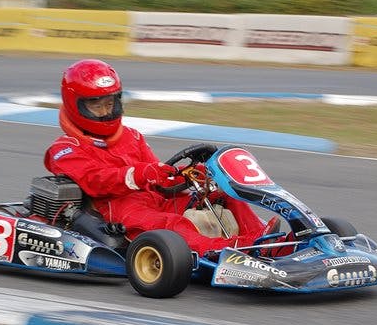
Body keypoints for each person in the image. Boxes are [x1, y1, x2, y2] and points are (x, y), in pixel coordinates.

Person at [44, 59, 273, 257]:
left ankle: (264, 242)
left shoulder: (131, 136)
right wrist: (140, 174)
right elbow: (94, 181)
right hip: (117, 212)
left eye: (109, 103)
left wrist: (188, 174)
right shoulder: (65, 148)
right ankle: (230, 250)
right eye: (97, 106)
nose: (106, 112)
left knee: (224, 196)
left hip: (156, 200)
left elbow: (161, 179)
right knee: (172, 225)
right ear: (76, 105)